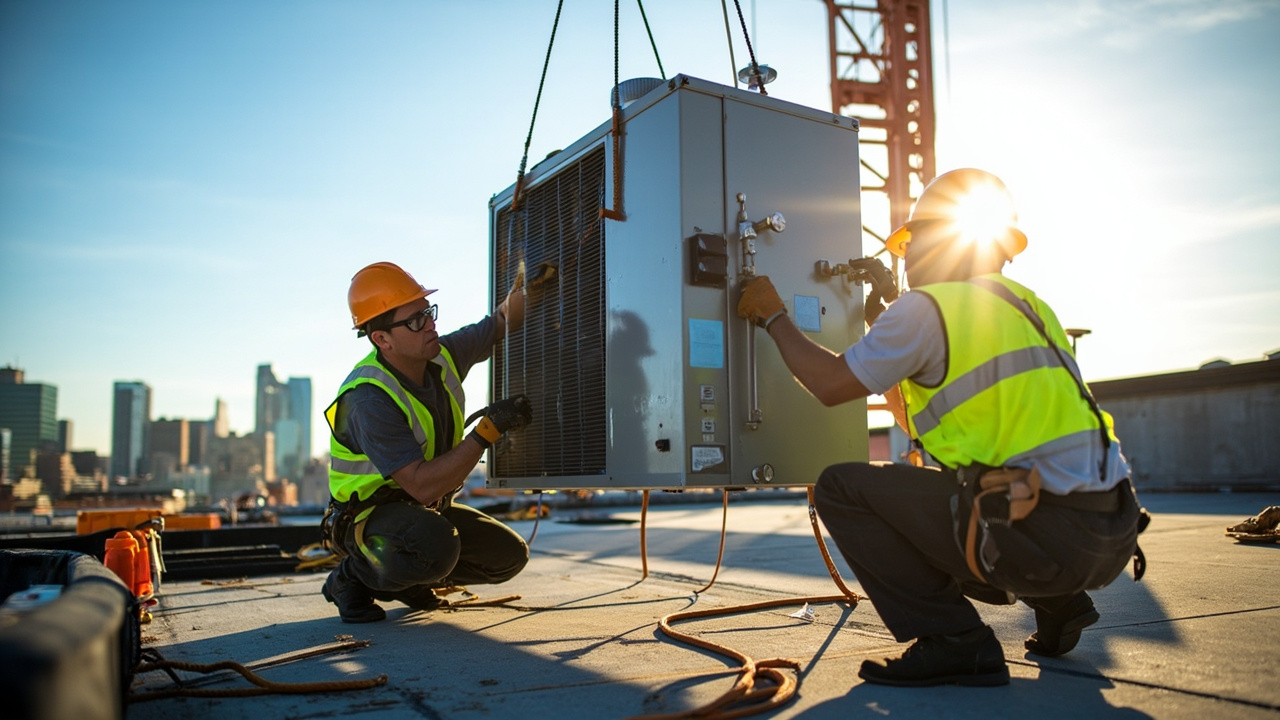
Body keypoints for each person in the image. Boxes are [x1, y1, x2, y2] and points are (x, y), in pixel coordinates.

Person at [737, 168, 1143, 687]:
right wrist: (887, 336)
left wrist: (773, 316)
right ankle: (1061, 604)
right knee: (965, 491)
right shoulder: (1029, 306)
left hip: (1047, 537)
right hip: (1110, 532)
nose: (906, 260)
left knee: (842, 489)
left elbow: (829, 384)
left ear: (933, 242)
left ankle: (956, 641)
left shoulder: (927, 309)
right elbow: (934, 428)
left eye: (911, 246)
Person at [320, 261, 534, 623]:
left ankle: (408, 579)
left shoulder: (442, 355)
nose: (430, 324)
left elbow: (499, 323)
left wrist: (529, 286)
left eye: (428, 312)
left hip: (424, 514)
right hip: (369, 520)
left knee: (507, 556)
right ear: (382, 340)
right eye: (415, 320)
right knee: (435, 546)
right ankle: (350, 578)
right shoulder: (369, 398)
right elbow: (419, 486)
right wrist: (487, 431)